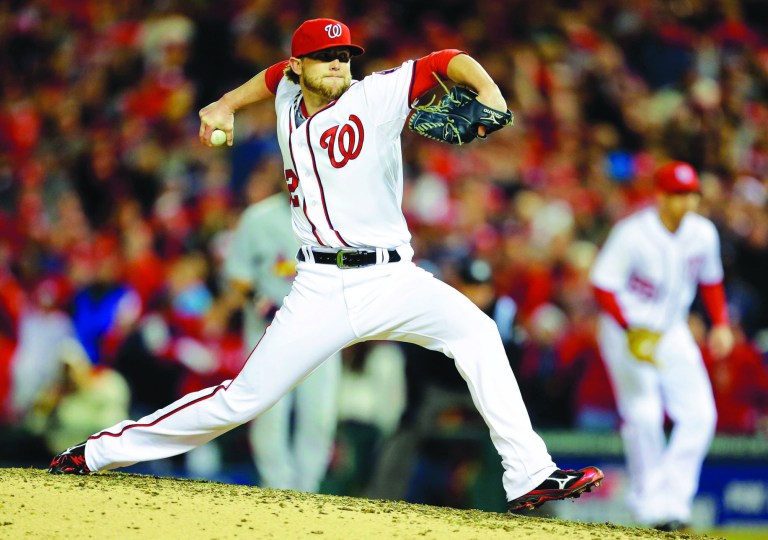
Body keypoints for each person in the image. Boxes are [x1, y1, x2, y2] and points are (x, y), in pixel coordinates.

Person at [49, 18, 603, 511]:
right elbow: (270, 76)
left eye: (344, 56)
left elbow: (445, 62)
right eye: (325, 57)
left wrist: (490, 92)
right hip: (318, 285)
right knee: (242, 401)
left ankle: (529, 473)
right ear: (301, 67)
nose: (339, 63)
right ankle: (97, 453)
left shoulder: (376, 97)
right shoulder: (288, 92)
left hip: (392, 277)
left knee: (479, 334)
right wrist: (223, 104)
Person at [590, 160, 734, 531]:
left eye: (691, 194)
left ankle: (674, 503)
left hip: (671, 330)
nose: (685, 202)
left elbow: (712, 281)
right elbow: (603, 284)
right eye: (677, 194)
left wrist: (720, 323)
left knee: (701, 416)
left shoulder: (703, 233)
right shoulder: (632, 233)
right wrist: (628, 328)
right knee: (644, 415)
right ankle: (650, 507)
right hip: (627, 328)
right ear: (659, 195)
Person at [222, 184, 341, 493]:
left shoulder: (336, 214)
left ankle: (307, 488)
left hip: (320, 327)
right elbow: (237, 271)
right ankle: (276, 487)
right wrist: (261, 300)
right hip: (269, 330)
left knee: (320, 414)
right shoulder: (258, 217)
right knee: (269, 412)